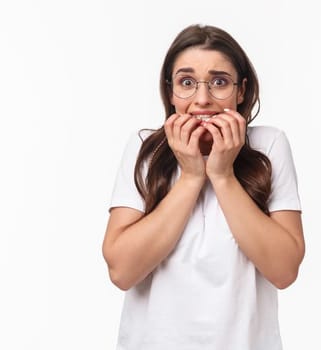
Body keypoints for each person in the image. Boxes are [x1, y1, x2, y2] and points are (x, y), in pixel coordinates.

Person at [102, 24, 304, 350]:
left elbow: (284, 270)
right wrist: (192, 176)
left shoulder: (269, 146)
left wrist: (222, 175)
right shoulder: (144, 149)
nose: (202, 99)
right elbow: (122, 272)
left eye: (219, 82)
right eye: (186, 83)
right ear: (170, 93)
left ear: (241, 91)